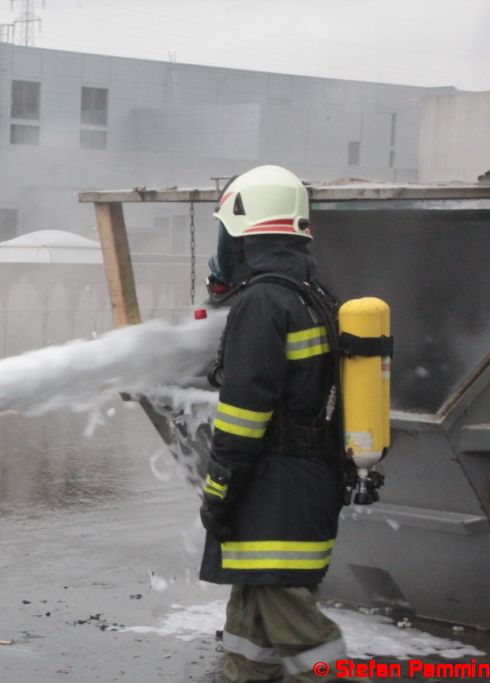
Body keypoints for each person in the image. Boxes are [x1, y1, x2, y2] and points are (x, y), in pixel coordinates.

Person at [198, 165, 364, 683]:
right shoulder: (309, 292)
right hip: (300, 486)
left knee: (293, 623)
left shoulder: (263, 301)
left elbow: (246, 412)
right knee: (251, 624)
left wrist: (218, 485)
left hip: (276, 492)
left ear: (243, 231)